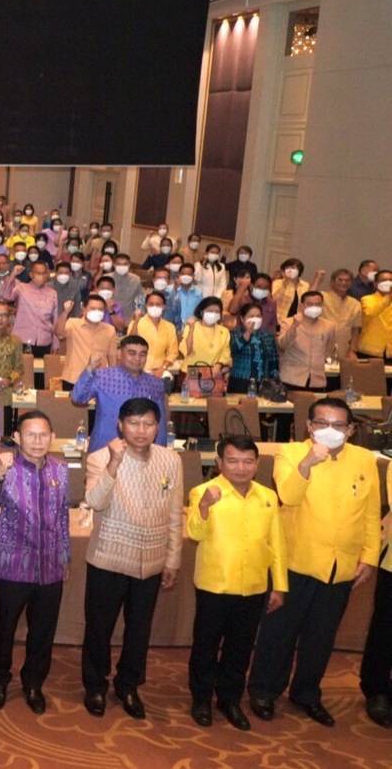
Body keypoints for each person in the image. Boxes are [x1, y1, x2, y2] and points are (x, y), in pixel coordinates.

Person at [248, 397, 380, 727]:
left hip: (340, 566)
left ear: (350, 430)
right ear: (309, 426)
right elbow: (288, 495)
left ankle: (306, 693)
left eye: (338, 425)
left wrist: (369, 556)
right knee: (279, 632)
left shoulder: (364, 459)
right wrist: (309, 462)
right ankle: (264, 690)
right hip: (295, 562)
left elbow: (370, 513)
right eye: (322, 423)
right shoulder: (290, 453)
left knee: (321, 637)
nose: (330, 430)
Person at [80, 397, 184, 719]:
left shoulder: (170, 460)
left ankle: (128, 685)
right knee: (99, 628)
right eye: (134, 423)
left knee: (139, 630)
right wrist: (114, 463)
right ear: (120, 425)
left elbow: (175, 512)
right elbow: (95, 502)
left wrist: (172, 559)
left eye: (148, 423)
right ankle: (95, 685)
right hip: (108, 559)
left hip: (151, 560)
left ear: (157, 426)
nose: (141, 430)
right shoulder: (99, 458)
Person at [186, 435, 287, 730]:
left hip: (253, 586)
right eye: (232, 461)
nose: (240, 468)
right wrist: (205, 506)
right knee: (205, 646)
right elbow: (195, 533)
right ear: (220, 463)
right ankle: (201, 698)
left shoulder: (268, 497)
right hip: (214, 585)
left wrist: (280, 585)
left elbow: (277, 544)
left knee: (240, 648)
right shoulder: (203, 491)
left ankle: (229, 699)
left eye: (247, 461)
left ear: (257, 464)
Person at [0, 410, 71, 715]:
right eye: (30, 434)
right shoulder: (6, 467)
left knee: (43, 631)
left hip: (50, 565)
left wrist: (64, 555)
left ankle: (34, 683)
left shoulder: (60, 469)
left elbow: (62, 516)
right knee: (4, 629)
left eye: (43, 434)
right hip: (13, 564)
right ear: (17, 437)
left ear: (52, 437)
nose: (37, 441)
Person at [69, 336, 170, 453]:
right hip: (104, 449)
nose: (137, 359)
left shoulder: (155, 384)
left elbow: (160, 424)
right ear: (120, 354)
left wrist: (160, 453)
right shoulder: (102, 377)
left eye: (142, 354)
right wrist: (89, 368)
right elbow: (78, 398)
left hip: (140, 452)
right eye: (132, 353)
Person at [55, 296, 118, 389]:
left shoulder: (110, 329)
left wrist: (113, 379)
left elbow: (112, 357)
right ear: (84, 309)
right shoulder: (73, 323)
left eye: (100, 309)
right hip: (73, 379)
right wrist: (65, 312)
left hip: (99, 380)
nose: (97, 312)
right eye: (93, 308)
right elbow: (59, 333)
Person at [229, 303, 280, 394]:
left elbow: (274, 362)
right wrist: (248, 333)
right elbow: (233, 351)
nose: (255, 319)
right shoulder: (234, 334)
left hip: (262, 384)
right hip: (239, 382)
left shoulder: (268, 336)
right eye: (251, 316)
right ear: (242, 319)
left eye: (258, 316)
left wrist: (274, 380)